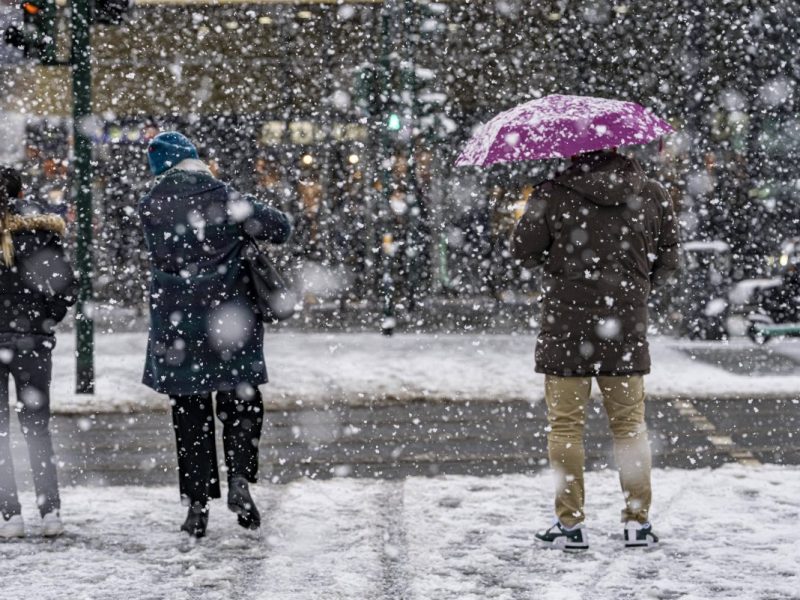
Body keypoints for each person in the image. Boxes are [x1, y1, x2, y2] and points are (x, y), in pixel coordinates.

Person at [511, 150, 679, 550]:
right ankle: (637, 522)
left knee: (566, 428)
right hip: (624, 329)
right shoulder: (651, 193)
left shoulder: (551, 194)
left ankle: (570, 525)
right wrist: (633, 288)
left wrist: (560, 266)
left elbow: (522, 250)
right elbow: (669, 259)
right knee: (630, 428)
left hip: (565, 330)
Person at [138, 132, 292, 539]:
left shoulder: (150, 205)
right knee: (241, 401)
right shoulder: (225, 197)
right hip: (229, 322)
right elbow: (281, 228)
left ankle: (197, 505)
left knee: (189, 415)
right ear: (193, 159)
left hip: (178, 326)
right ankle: (239, 479)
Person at [0, 166, 76, 539]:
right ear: (21, 193)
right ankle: (51, 511)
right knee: (37, 429)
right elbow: (65, 288)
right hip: (32, 343)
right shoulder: (41, 233)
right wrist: (44, 322)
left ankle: (9, 515)